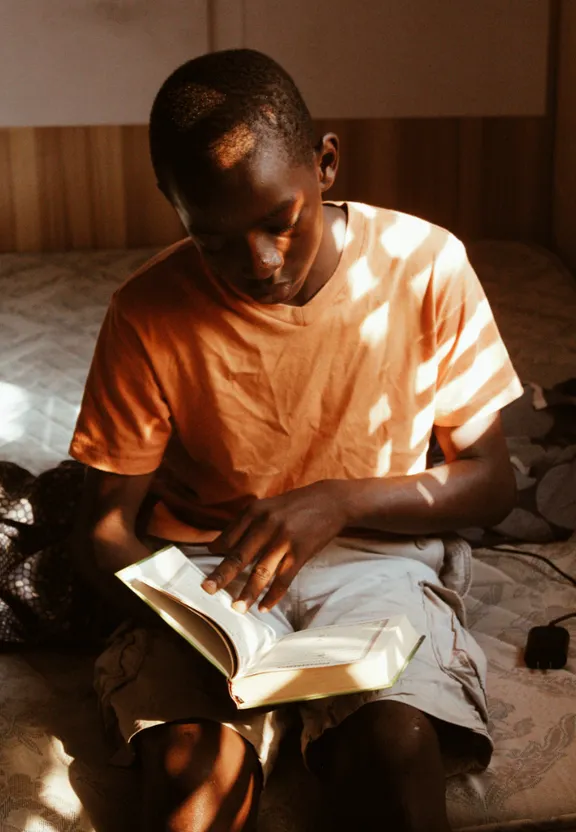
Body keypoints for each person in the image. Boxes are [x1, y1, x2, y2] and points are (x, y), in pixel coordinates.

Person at [69, 49, 522, 832]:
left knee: (394, 750)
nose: (261, 264)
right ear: (175, 209)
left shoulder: (427, 266)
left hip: (376, 564)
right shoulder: (146, 313)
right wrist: (188, 620)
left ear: (327, 164)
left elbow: (493, 480)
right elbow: (105, 527)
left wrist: (338, 502)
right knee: (192, 792)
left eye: (281, 222)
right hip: (209, 580)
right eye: (214, 241)